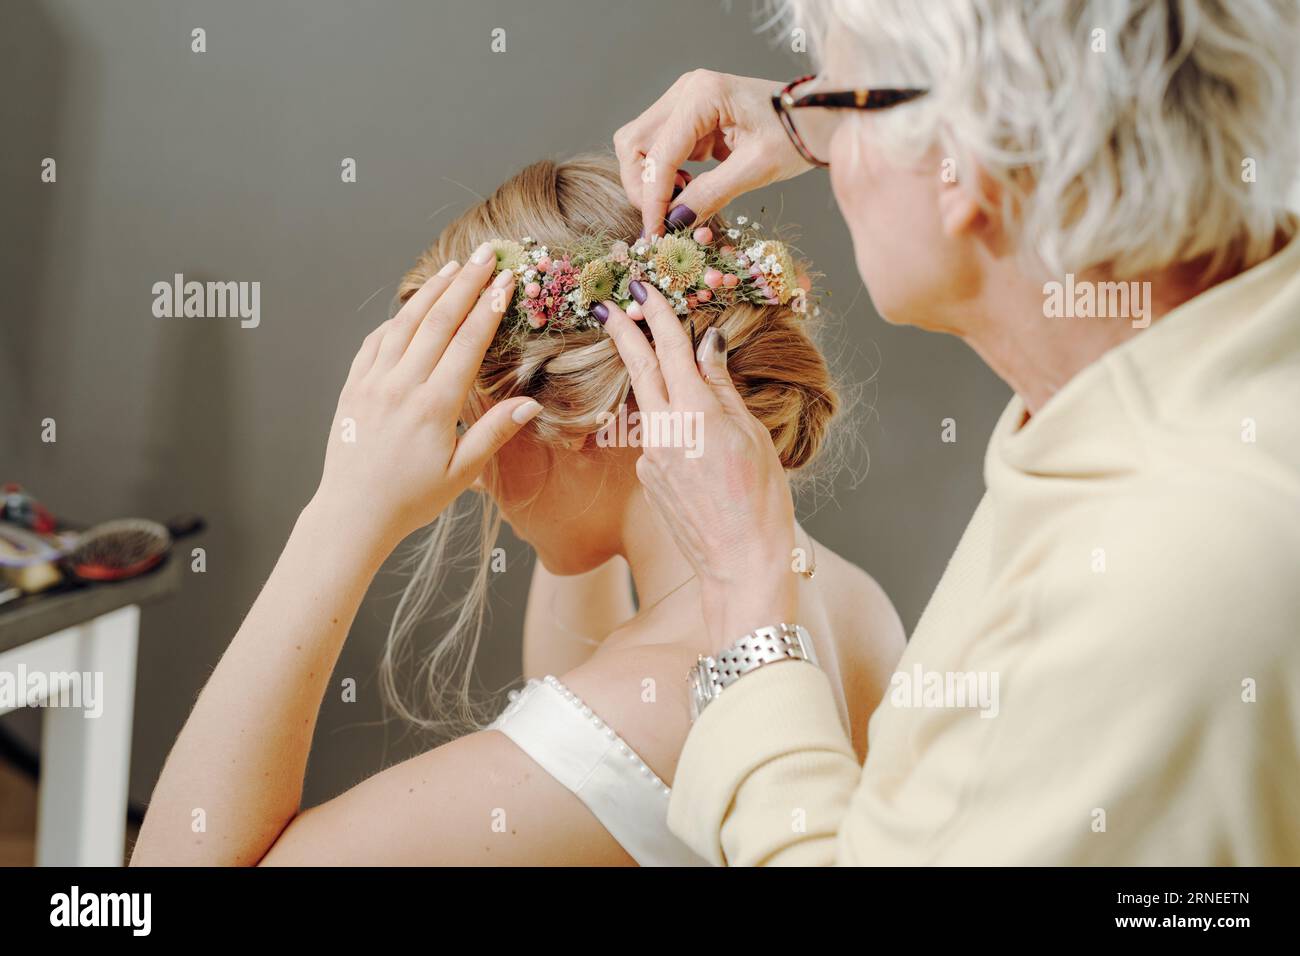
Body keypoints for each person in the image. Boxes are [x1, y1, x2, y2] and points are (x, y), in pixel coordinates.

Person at [601, 0, 1300, 864]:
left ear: (964, 163)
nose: (813, 142)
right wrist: (846, 116)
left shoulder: (1150, 586)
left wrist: (746, 591)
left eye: (837, 103)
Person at [130, 154, 904, 866]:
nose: (469, 475)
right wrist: (583, 426)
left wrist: (344, 512)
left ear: (572, 421)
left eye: (468, 420)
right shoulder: (842, 600)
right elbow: (580, 669)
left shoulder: (610, 737)